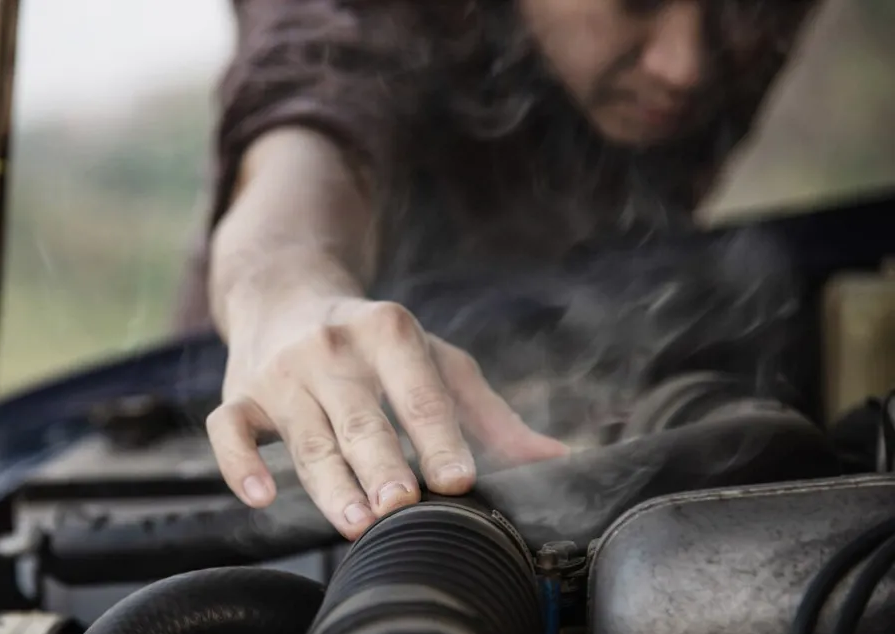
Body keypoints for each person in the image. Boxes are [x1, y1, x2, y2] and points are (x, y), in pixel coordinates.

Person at [173, 0, 822, 539]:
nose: (685, 65)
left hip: (583, 374)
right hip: (286, 446)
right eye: (637, 3)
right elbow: (299, 152)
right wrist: (292, 301)